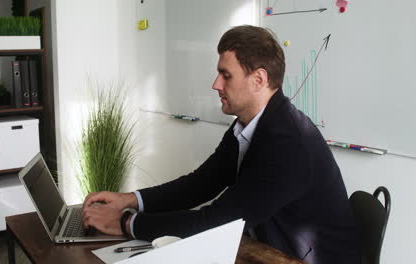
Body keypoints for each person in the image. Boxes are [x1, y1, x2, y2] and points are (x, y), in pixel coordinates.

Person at [82, 25, 360, 264]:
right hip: (270, 246)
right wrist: (131, 200)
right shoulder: (249, 124)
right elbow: (201, 183)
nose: (216, 84)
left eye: (226, 75)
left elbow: (213, 223)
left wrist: (125, 223)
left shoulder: (288, 145)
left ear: (258, 79)